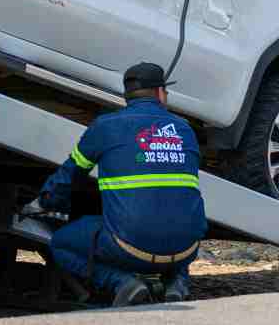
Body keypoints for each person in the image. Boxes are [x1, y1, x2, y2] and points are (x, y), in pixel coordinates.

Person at [32, 62, 208, 306]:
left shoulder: (106, 126)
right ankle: (177, 283)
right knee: (174, 219)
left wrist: (47, 202)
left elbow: (69, 176)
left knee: (60, 244)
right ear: (159, 93)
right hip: (188, 249)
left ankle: (123, 283)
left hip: (129, 248)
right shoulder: (185, 130)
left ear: (127, 96)